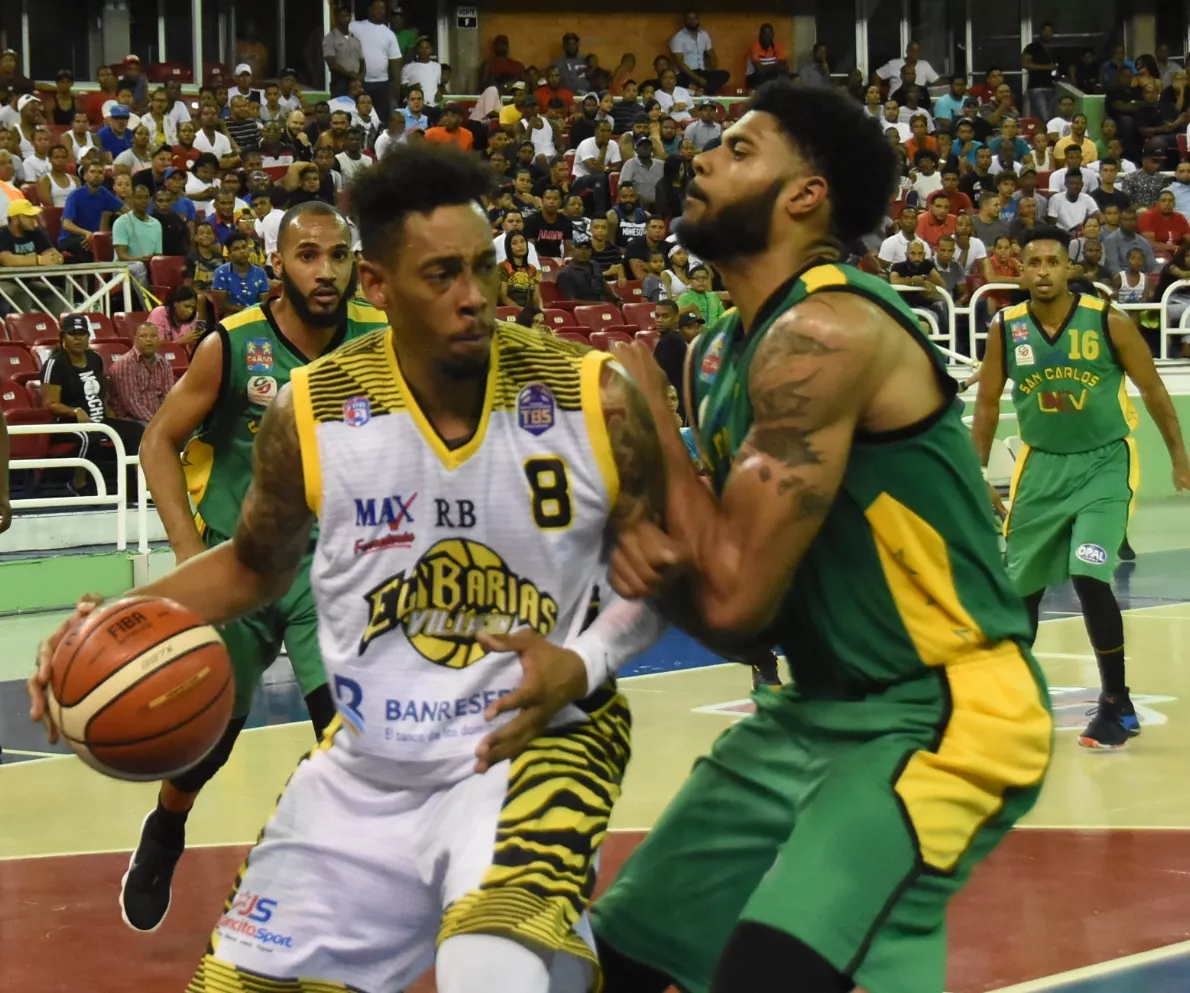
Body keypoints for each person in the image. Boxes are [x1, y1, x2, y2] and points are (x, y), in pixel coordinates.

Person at [29, 144, 670, 992]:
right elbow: (254, 564)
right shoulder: (312, 410)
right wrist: (102, 622)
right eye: (442, 274)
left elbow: (659, 572)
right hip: (370, 762)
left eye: (485, 266)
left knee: (489, 967)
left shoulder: (594, 394)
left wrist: (581, 662)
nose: (474, 296)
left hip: (534, 746)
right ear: (380, 285)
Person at [591, 80, 1051, 993]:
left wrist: (646, 423)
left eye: (738, 148)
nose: (704, 159)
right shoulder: (722, 354)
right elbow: (745, 625)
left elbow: (729, 594)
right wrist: (645, 543)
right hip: (813, 707)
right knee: (617, 960)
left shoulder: (828, 333)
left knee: (778, 973)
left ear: (806, 194)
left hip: (942, 709)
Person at [65, 202, 390, 933]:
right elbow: (158, 443)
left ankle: (348, 889)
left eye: (339, 255)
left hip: (327, 568)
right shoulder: (233, 346)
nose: (326, 269)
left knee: (344, 736)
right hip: (236, 560)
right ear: (276, 263)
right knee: (204, 741)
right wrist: (188, 552)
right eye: (308, 254)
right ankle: (166, 830)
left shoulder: (382, 338)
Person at [971, 225, 1190, 748]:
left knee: (1089, 573)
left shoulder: (1107, 321)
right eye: (1033, 262)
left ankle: (1117, 702)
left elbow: (1154, 391)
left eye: (1052, 261)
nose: (1043, 271)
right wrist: (976, 475)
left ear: (1070, 268)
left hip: (1103, 467)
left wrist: (1180, 457)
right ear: (1018, 271)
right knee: (1020, 590)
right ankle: (1014, 699)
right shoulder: (1006, 327)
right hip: (1040, 468)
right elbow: (984, 404)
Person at [40, 314, 145, 494]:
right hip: (68, 423)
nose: (78, 339)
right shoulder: (55, 363)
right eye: (73, 334)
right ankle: (78, 484)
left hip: (99, 420)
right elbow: (49, 403)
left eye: (82, 334)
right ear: (63, 336)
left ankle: (136, 487)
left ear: (88, 336)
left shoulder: (95, 359)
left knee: (137, 431)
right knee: (90, 437)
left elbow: (101, 390)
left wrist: (108, 411)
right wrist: (74, 411)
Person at [107, 322, 175, 424]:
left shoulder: (164, 364)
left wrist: (168, 418)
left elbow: (169, 396)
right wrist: (157, 423)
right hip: (131, 420)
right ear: (135, 339)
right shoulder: (125, 364)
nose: (149, 339)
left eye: (153, 336)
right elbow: (132, 405)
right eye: (143, 336)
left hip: (159, 418)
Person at [59, 159, 125, 261]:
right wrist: (86, 233)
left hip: (93, 237)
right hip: (70, 239)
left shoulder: (104, 193)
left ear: (103, 177)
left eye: (100, 172)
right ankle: (92, 276)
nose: (96, 175)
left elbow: (125, 210)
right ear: (85, 176)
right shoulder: (75, 196)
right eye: (92, 172)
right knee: (90, 247)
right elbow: (66, 224)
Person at [349, 0, 403, 124]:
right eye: (376, 8)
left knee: (381, 118)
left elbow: (395, 60)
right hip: (361, 82)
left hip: (381, 83)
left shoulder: (389, 34)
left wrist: (396, 85)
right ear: (369, 10)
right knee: (359, 117)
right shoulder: (355, 26)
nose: (380, 11)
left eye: (382, 8)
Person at [111, 183, 163, 287]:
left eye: (146, 197)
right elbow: (122, 255)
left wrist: (152, 259)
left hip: (148, 267)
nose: (144, 201)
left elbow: (158, 254)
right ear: (131, 199)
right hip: (123, 269)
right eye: (139, 198)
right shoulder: (122, 222)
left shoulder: (156, 224)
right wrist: (140, 260)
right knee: (138, 267)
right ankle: (147, 302)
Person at [669, 12, 729, 95]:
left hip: (702, 72)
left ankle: (704, 91)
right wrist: (698, 79)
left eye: (695, 19)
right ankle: (708, 91)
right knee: (678, 80)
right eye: (689, 19)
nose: (692, 21)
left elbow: (712, 55)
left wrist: (712, 72)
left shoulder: (704, 35)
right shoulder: (678, 38)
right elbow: (680, 64)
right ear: (685, 21)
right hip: (687, 74)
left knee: (724, 74)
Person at [210, 231, 270, 314]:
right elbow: (222, 306)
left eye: (244, 247)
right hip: (231, 318)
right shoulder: (221, 273)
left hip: (256, 316)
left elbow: (264, 303)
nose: (242, 251)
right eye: (236, 249)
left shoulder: (260, 273)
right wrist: (248, 310)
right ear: (229, 254)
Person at [0, 199, 63, 267]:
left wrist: (57, 259)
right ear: (14, 219)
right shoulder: (3, 233)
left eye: (33, 216)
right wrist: (39, 260)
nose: (33, 220)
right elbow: (6, 260)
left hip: (36, 276)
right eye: (29, 217)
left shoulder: (37, 232)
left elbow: (55, 255)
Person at [323, 4, 365, 98]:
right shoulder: (330, 38)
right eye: (341, 16)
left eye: (346, 16)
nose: (344, 19)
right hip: (340, 80)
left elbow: (362, 60)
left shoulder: (355, 39)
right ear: (336, 18)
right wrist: (349, 74)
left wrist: (360, 76)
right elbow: (331, 62)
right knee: (340, 107)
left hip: (356, 81)